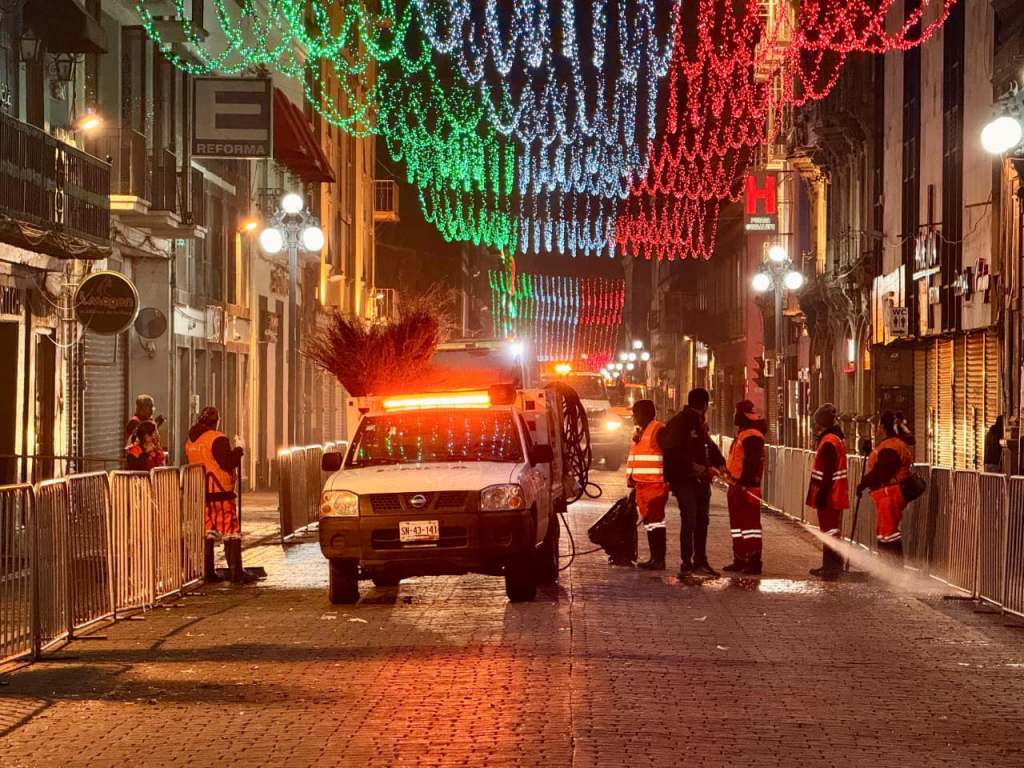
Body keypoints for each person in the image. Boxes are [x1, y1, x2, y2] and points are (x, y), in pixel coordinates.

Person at [658, 388, 726, 579]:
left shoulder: (697, 422)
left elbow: (707, 445)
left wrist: (719, 462)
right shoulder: (682, 422)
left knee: (701, 520)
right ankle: (687, 563)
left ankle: (700, 561)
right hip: (685, 479)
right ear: (705, 405)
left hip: (699, 480)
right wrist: (697, 468)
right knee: (690, 519)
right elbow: (673, 450)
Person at [185, 406, 254, 584]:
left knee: (208, 531)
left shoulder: (191, 441)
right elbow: (228, 462)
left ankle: (208, 572)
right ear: (216, 421)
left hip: (201, 491)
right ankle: (236, 572)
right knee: (231, 530)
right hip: (220, 490)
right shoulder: (217, 438)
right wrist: (239, 449)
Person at [857, 411, 915, 564]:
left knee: (888, 533)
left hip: (890, 494)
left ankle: (893, 570)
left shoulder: (891, 447)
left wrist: (863, 483)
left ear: (882, 427)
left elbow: (882, 471)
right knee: (884, 532)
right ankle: (886, 568)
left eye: (877, 425)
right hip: (887, 494)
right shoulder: (891, 445)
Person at [722, 401, 767, 575]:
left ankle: (753, 560)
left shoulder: (752, 436)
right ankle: (740, 559)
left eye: (736, 412)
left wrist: (744, 483)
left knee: (750, 526)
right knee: (738, 525)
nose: (734, 415)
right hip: (737, 486)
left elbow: (752, 463)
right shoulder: (744, 434)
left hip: (746, 488)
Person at [806, 403, 849, 580]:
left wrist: (822, 496)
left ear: (821, 423)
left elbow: (828, 473)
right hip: (834, 493)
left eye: (817, 423)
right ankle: (830, 566)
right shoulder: (833, 440)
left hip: (830, 495)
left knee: (830, 532)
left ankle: (831, 567)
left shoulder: (829, 442)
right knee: (831, 531)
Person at [626, 399, 670, 571]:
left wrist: (667, 480)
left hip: (655, 484)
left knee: (656, 522)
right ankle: (655, 558)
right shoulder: (641, 432)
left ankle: (659, 559)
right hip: (642, 485)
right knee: (650, 523)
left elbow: (668, 454)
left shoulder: (658, 430)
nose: (633, 417)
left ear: (644, 414)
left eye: (635, 413)